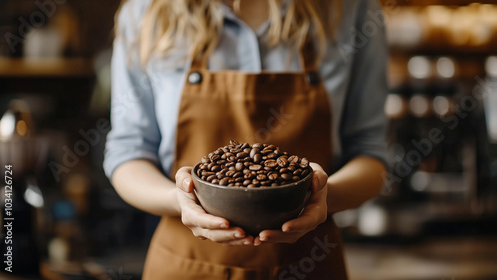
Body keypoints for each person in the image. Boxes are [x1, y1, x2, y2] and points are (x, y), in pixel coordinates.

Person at [104, 0, 388, 279]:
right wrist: (180, 200)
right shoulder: (147, 11)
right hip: (187, 264)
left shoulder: (352, 8)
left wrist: (317, 196)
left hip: (311, 262)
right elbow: (129, 152)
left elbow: (372, 154)